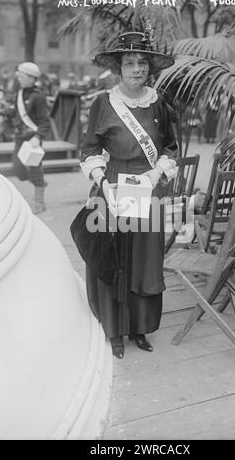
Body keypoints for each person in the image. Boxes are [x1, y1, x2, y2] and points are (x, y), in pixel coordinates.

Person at [79, 27, 178, 359]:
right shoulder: (103, 104)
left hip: (147, 188)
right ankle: (115, 329)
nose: (138, 69)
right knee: (114, 258)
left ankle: (139, 327)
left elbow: (171, 147)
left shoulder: (159, 103)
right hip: (110, 188)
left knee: (144, 262)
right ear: (118, 68)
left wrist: (156, 171)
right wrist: (103, 182)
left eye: (143, 63)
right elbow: (89, 149)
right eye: (130, 63)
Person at [12, 62, 50, 214]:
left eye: (22, 76)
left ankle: (39, 203)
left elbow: (44, 121)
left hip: (32, 138)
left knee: (35, 170)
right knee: (18, 170)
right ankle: (40, 183)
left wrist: (38, 136)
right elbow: (17, 114)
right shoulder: (19, 94)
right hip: (19, 137)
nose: (19, 78)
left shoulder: (38, 96)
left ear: (31, 78)